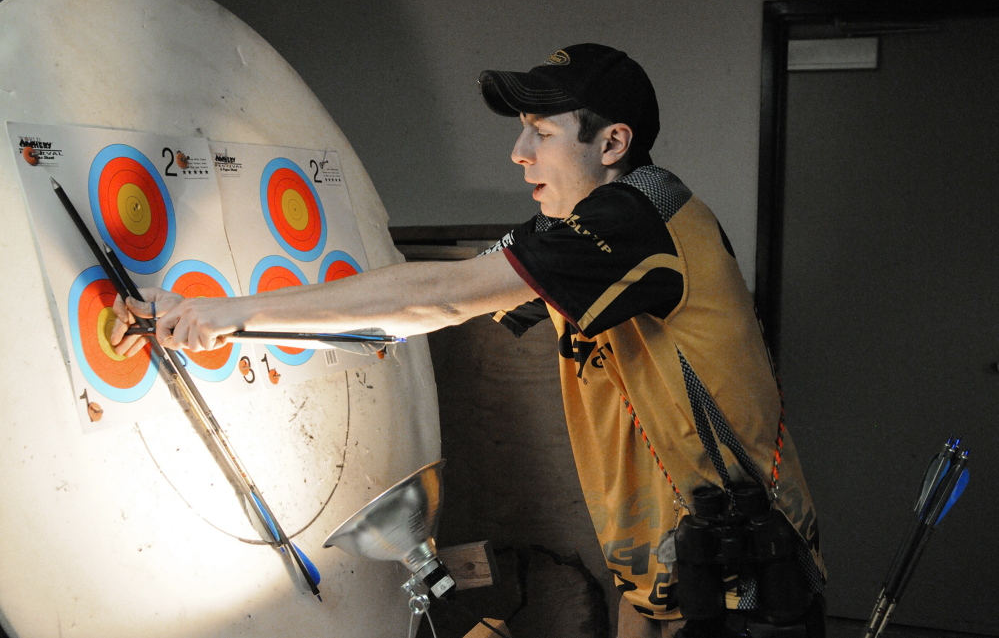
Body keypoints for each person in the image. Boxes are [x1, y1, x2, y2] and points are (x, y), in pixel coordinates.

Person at [112, 43, 826, 637]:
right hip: (665, 580)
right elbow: (431, 310)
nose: (518, 154)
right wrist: (234, 322)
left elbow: (442, 294)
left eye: (541, 132)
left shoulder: (635, 220)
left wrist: (229, 312)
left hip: (744, 588)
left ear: (611, 143)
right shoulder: (575, 236)